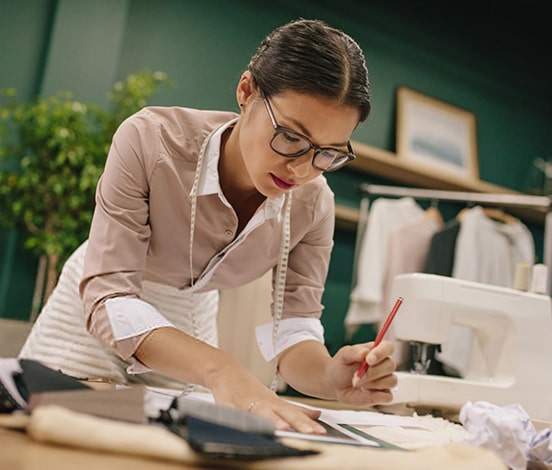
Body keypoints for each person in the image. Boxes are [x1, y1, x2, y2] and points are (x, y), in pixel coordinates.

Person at [19, 18, 397, 434]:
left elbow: (294, 330)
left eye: (328, 152)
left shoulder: (314, 204)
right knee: (58, 432)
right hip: (96, 311)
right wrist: (221, 369)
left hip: (187, 324)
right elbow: (110, 294)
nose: (302, 169)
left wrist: (330, 377)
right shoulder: (149, 140)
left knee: (172, 446)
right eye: (291, 137)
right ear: (246, 91)